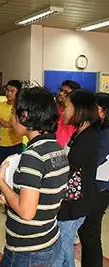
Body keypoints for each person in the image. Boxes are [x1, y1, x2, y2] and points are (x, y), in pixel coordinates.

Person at [0, 87, 68, 267]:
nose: (12, 119)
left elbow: (27, 212)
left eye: (14, 113)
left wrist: (1, 182)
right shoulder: (56, 148)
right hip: (48, 239)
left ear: (25, 116)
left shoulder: (33, 156)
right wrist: (11, 197)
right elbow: (45, 195)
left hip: (27, 250)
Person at [53, 89, 99, 267]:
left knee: (61, 248)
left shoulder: (88, 137)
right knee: (63, 247)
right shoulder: (78, 134)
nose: (62, 112)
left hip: (76, 203)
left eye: (66, 107)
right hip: (70, 201)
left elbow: (70, 165)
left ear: (79, 109)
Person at [77, 93, 109, 267]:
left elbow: (92, 159)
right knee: (88, 232)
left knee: (90, 233)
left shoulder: (105, 134)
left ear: (103, 112)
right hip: (96, 187)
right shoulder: (99, 131)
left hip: (100, 189)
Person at [0, 80, 23, 205]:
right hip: (0, 145)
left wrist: (10, 125)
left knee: (13, 172)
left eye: (12, 91)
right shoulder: (0, 106)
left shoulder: (20, 108)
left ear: (18, 93)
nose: (9, 93)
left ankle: (10, 198)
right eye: (7, 90)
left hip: (15, 145)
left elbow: (23, 126)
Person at [56, 80, 80, 148]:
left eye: (66, 92)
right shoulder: (52, 110)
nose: (61, 93)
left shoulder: (77, 115)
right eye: (60, 90)